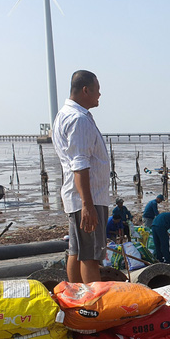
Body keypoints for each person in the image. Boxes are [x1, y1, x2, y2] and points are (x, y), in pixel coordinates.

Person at [52, 70, 110, 284]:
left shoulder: (63, 115)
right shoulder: (78, 120)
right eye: (97, 90)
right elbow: (80, 164)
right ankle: (91, 305)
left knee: (76, 251)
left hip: (75, 196)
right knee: (91, 256)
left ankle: (75, 298)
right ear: (85, 90)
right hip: (88, 197)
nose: (99, 95)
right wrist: (88, 204)